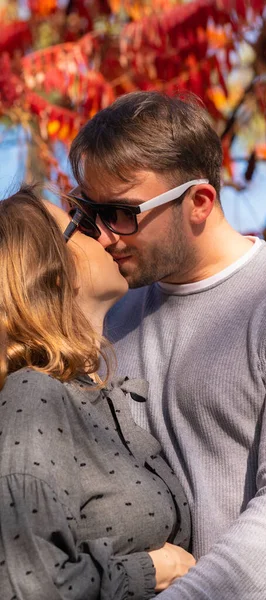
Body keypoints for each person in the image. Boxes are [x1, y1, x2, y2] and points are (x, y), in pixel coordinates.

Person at [68, 91, 266, 599]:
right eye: (87, 210)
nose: (102, 236)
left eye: (121, 213)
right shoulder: (106, 324)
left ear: (199, 203)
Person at [0, 186, 195, 600]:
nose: (105, 237)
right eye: (83, 226)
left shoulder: (92, 396)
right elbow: (24, 584)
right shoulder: (32, 395)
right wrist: (151, 570)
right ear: (53, 272)